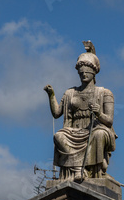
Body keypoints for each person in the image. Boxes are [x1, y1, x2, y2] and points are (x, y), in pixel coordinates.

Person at [44, 41, 117, 181]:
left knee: (100, 134)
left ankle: (93, 173)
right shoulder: (70, 92)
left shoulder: (105, 93)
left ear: (94, 73)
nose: (83, 75)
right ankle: (78, 170)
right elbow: (57, 113)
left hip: (95, 129)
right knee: (59, 136)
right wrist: (51, 94)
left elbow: (109, 120)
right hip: (73, 131)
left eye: (86, 72)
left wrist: (98, 113)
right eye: (81, 73)